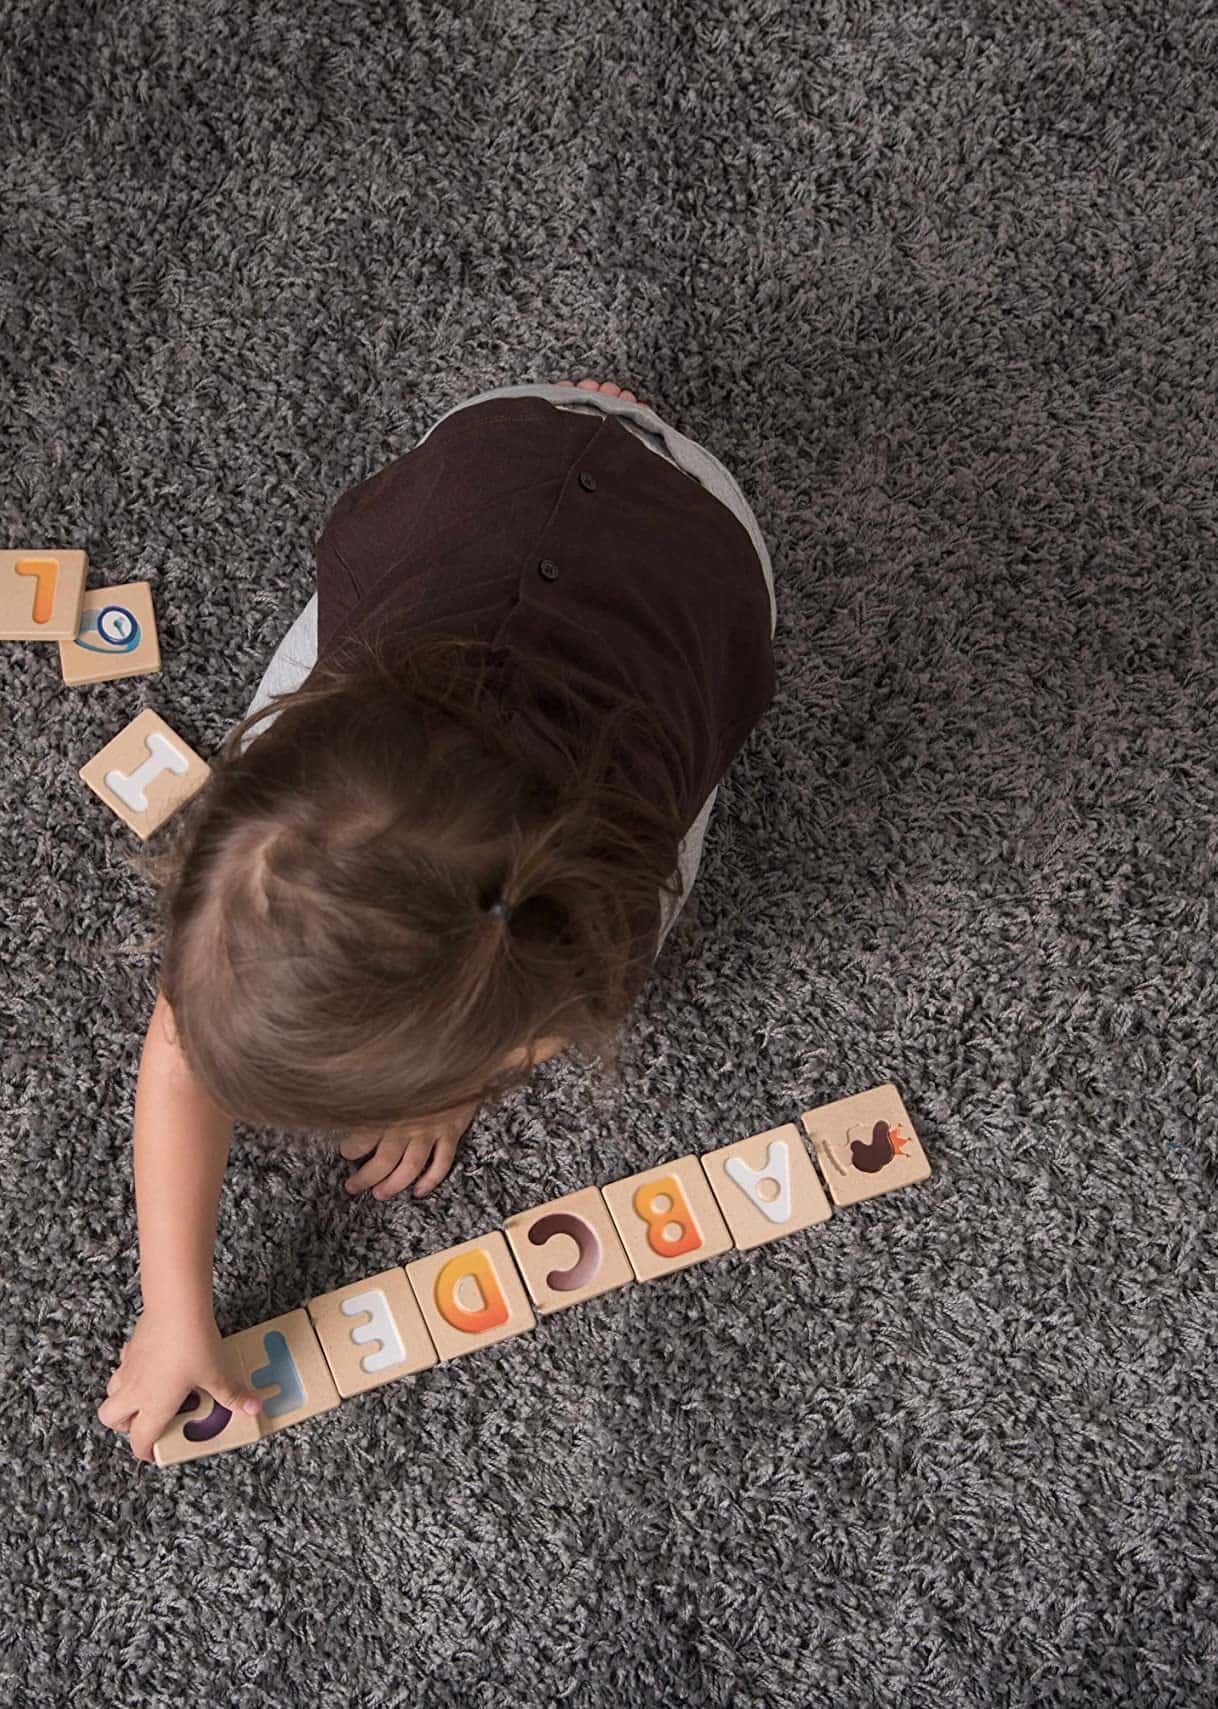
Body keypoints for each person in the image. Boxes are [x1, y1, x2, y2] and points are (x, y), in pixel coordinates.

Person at [96, 379, 778, 1458]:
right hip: (491, 457)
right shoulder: (289, 798)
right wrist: (174, 1302)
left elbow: (538, 989)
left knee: (597, 933)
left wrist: (453, 1082)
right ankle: (594, 426)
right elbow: (185, 1042)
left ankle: (604, 434)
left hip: (692, 537)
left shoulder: (614, 900)